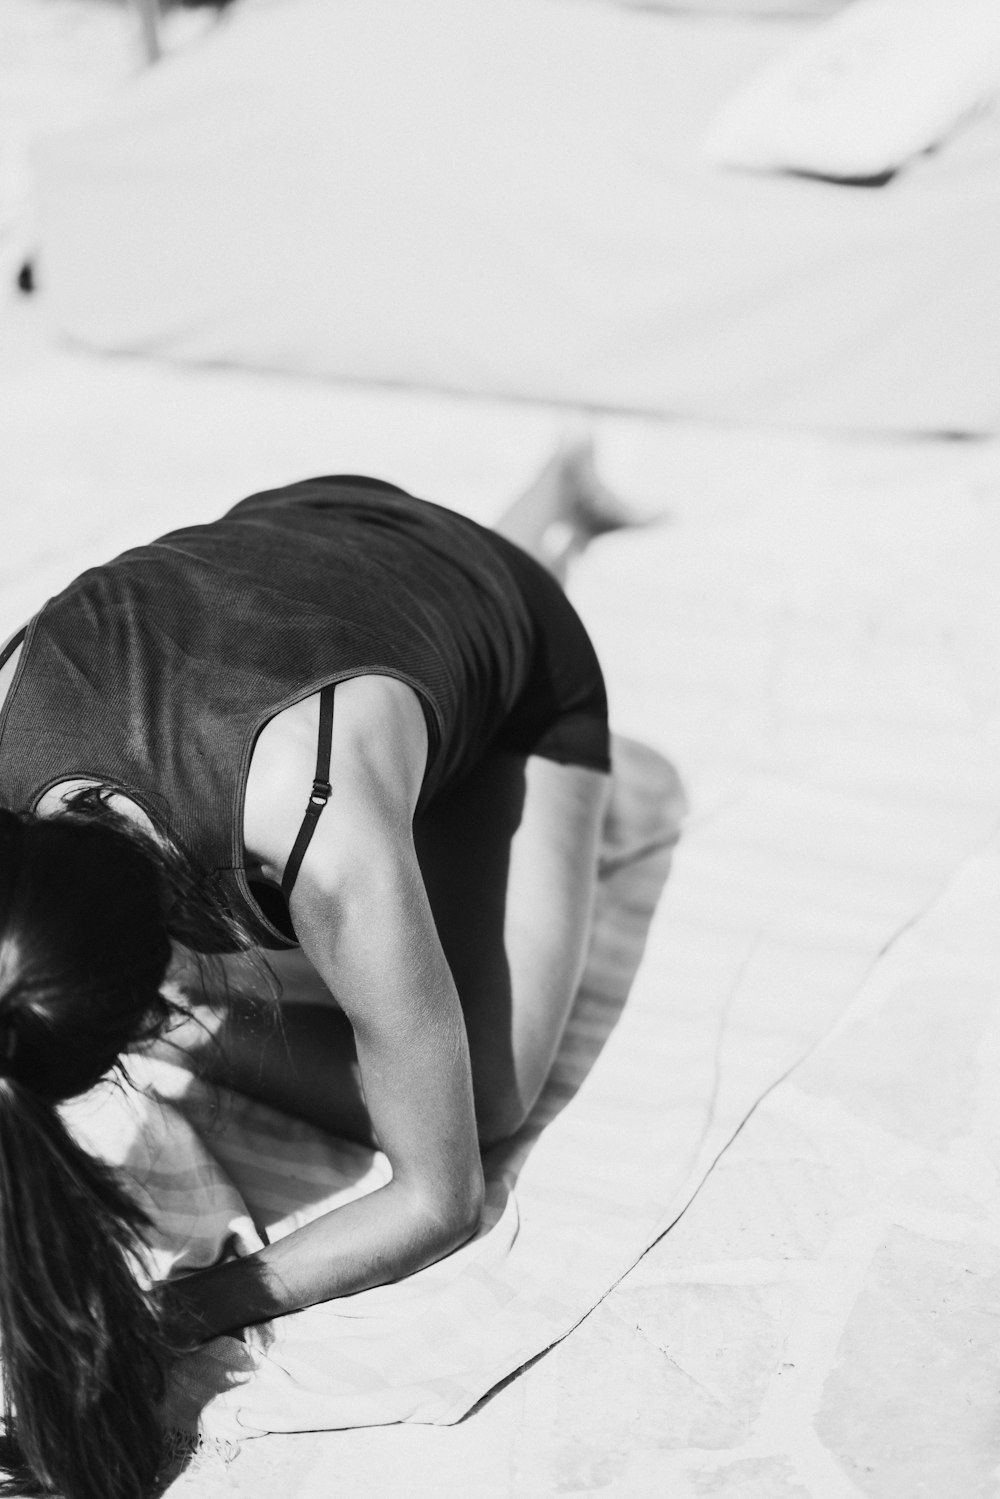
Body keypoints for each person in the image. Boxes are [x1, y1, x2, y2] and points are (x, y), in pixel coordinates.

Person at [0, 441, 630, 1499]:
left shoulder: (327, 842)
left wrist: (178, 1314)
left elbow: (438, 1197)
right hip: (293, 538)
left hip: (481, 633)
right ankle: (550, 483)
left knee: (484, 1096)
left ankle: (553, 502)